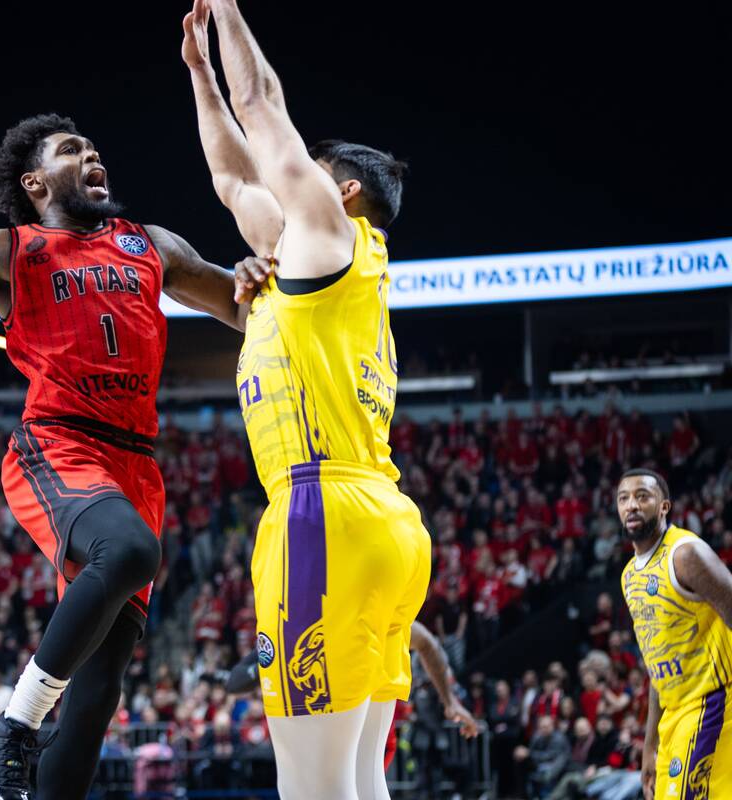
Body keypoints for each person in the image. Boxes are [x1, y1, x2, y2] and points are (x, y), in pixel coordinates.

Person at [0, 100, 254, 800]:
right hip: (59, 446)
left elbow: (248, 310)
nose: (93, 157)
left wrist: (259, 277)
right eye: (71, 150)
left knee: (97, 695)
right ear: (35, 184)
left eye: (93, 148)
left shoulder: (153, 244)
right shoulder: (6, 252)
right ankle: (12, 732)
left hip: (136, 466)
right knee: (127, 552)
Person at [182, 1, 430, 797]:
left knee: (309, 788)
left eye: (308, 170)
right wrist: (198, 73)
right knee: (358, 775)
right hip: (383, 522)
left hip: (323, 517)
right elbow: (231, 178)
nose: (288, 175)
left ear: (344, 191)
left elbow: (264, 110)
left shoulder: (330, 230)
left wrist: (222, 10)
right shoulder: (316, 265)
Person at [615, 468, 732, 799]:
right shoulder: (629, 577)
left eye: (642, 496)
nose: (632, 505)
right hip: (674, 717)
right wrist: (650, 745)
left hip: (714, 704)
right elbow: (656, 665)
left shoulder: (685, 554)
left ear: (664, 507)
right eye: (624, 499)